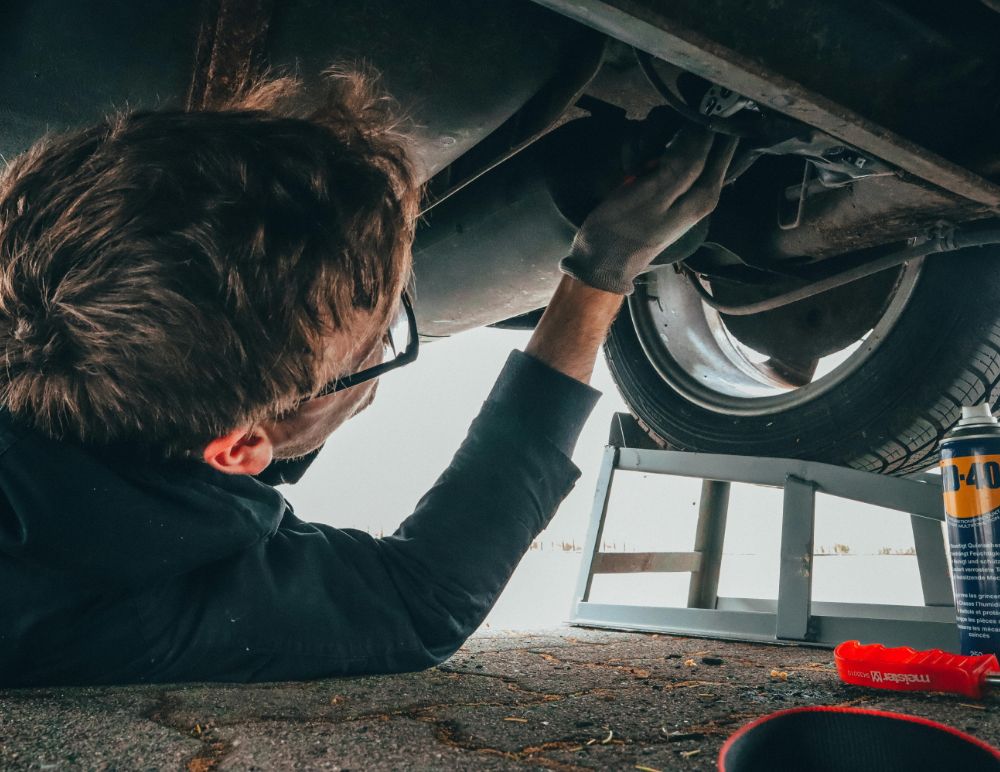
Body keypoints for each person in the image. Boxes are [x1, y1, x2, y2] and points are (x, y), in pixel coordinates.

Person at [0, 71, 735, 686]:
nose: (381, 349)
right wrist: (598, 274)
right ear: (236, 447)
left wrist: (599, 271)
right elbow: (422, 601)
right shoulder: (121, 607)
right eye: (377, 343)